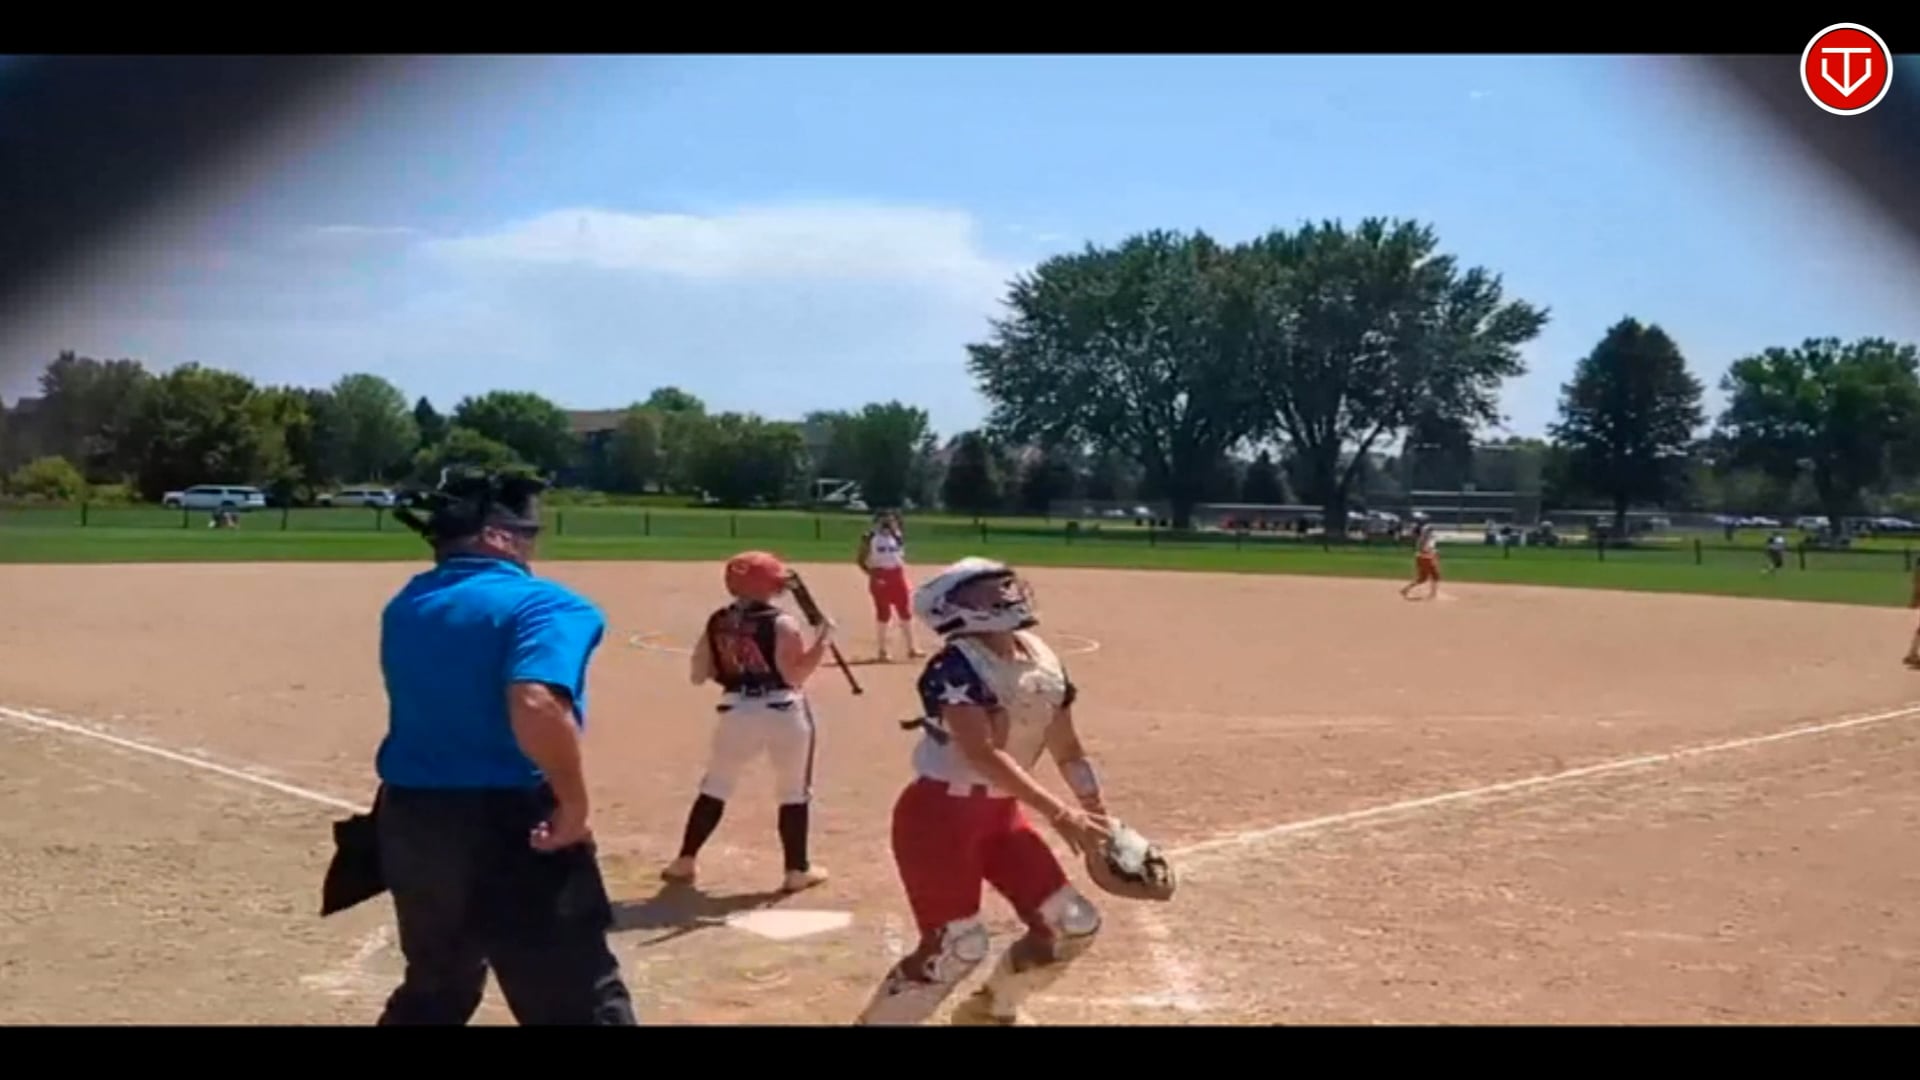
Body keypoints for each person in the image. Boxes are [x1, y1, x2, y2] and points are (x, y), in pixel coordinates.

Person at [370, 468, 636, 1026]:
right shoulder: (546, 605)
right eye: (527, 534)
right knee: (576, 999)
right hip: (510, 823)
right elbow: (535, 702)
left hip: (412, 819)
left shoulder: (409, 601)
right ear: (495, 535)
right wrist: (573, 804)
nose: (531, 547)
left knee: (437, 986)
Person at [854, 556, 1116, 1027]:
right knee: (956, 946)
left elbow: (1068, 747)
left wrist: (1098, 816)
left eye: (1005, 585)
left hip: (1001, 817)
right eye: (986, 591)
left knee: (1072, 924)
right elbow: (982, 754)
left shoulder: (1042, 660)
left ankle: (989, 1012)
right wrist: (1060, 813)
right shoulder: (955, 665)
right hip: (939, 817)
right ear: (951, 608)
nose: (1005, 595)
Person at [662, 550, 835, 894]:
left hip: (735, 711)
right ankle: (796, 870)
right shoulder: (781, 622)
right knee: (793, 791)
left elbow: (699, 673)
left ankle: (685, 859)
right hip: (783, 711)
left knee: (715, 786)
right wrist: (824, 641)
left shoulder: (718, 620)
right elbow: (795, 674)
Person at [856, 510, 921, 662]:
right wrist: (873, 576)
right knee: (883, 613)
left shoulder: (897, 536)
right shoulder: (870, 537)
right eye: (884, 521)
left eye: (891, 521)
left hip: (897, 575)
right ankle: (882, 651)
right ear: (877, 522)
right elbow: (860, 560)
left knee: (904, 610)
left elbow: (899, 556)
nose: (888, 524)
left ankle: (912, 648)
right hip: (880, 575)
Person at [1400, 515, 1441, 600]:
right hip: (1427, 555)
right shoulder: (1426, 532)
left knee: (1423, 578)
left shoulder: (1421, 532)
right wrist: (1429, 551)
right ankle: (1433, 594)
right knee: (1434, 575)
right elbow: (1427, 540)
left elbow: (1422, 535)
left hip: (1422, 555)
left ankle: (1406, 589)